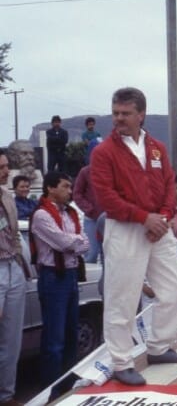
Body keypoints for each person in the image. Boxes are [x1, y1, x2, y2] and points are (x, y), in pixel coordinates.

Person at [91, 87, 177, 386]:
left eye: (126, 113)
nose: (119, 118)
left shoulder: (157, 148)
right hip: (125, 229)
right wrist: (143, 218)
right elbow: (106, 197)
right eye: (115, 113)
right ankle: (121, 362)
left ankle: (160, 346)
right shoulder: (103, 152)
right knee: (122, 298)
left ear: (141, 115)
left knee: (173, 288)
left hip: (158, 226)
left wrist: (163, 215)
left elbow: (169, 182)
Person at [29, 171, 89, 399]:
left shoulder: (70, 213)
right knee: (54, 339)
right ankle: (50, 391)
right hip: (53, 277)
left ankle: (67, 384)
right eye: (65, 186)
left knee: (71, 333)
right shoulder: (42, 215)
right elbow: (63, 243)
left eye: (70, 187)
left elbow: (85, 243)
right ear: (50, 188)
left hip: (70, 275)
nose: (70, 191)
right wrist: (75, 242)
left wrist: (74, 242)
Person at [0, 149, 29, 406]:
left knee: (12, 339)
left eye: (6, 166)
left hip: (12, 267)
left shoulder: (7, 197)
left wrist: (18, 259)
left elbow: (14, 234)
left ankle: (6, 395)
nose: (6, 171)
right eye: (1, 168)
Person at [73, 161, 103, 264]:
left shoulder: (113, 170)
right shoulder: (85, 171)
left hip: (110, 218)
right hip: (92, 219)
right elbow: (77, 194)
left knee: (109, 253)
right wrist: (89, 208)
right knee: (91, 254)